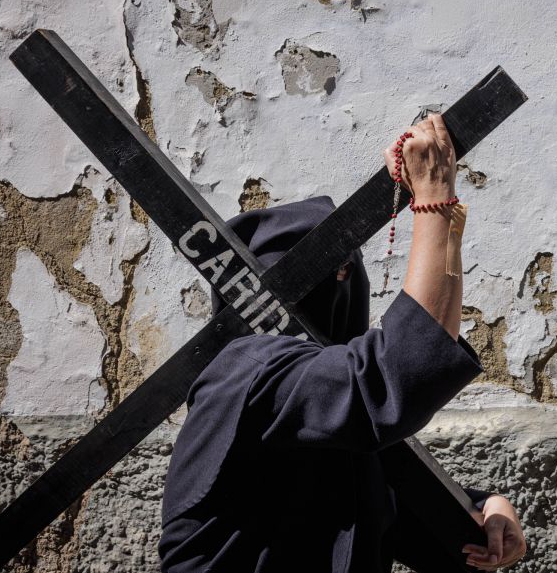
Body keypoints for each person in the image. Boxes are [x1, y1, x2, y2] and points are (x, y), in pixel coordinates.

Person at [158, 114, 527, 572]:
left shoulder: (332, 422)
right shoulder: (248, 372)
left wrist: (486, 512)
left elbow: (407, 518)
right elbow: (396, 379)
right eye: (336, 273)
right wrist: (433, 202)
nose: (345, 287)